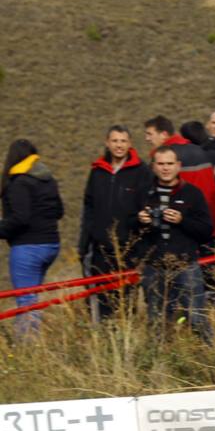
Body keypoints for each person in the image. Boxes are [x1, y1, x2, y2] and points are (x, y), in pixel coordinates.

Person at [125, 146, 214, 342]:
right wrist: (139, 220)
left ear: (178, 166)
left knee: (197, 316)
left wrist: (182, 221)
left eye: (170, 164)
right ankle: (159, 364)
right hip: (153, 266)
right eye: (161, 164)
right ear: (153, 167)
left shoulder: (192, 193)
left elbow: (206, 230)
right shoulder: (143, 194)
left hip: (185, 264)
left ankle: (211, 360)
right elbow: (126, 226)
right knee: (156, 319)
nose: (166, 168)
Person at [79, 125, 146, 316]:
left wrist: (141, 249)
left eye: (123, 141)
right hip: (100, 249)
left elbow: (146, 210)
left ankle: (126, 342)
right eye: (115, 141)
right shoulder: (97, 172)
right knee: (101, 303)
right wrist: (84, 245)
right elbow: (88, 209)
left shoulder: (141, 172)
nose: (119, 145)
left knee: (126, 302)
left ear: (130, 144)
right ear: (107, 143)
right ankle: (103, 342)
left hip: (128, 249)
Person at [2, 139, 63, 316]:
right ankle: (36, 342)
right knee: (32, 301)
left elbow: (20, 219)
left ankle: (27, 344)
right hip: (51, 245)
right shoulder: (48, 179)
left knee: (25, 303)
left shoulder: (19, 182)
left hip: (28, 247)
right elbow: (59, 211)